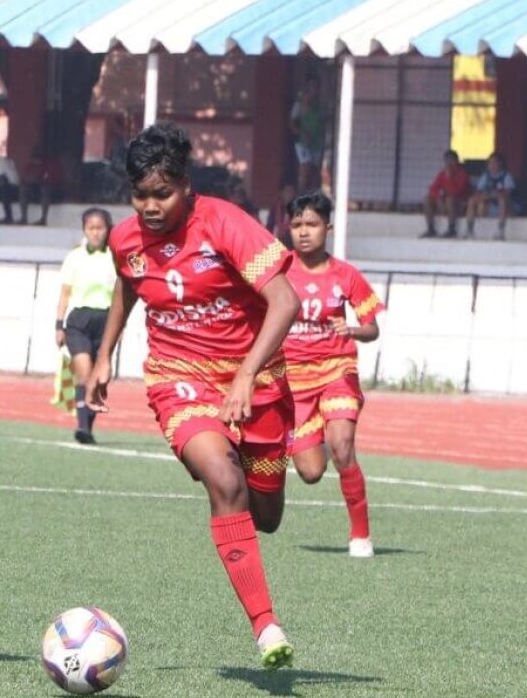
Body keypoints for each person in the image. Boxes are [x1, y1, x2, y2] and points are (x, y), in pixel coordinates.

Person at [87, 121, 301, 670]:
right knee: (224, 481)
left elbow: (285, 302)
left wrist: (247, 375)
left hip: (255, 382)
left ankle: (248, 488)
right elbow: (127, 286)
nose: (150, 206)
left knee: (267, 514)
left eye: (162, 193)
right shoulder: (125, 239)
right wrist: (105, 354)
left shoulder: (226, 223)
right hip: (178, 377)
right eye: (140, 195)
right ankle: (266, 626)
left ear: (186, 185)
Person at [281, 192, 385, 558]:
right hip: (293, 381)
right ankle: (322, 441)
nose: (303, 232)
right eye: (297, 225)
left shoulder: (346, 274)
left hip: (337, 370)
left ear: (328, 227)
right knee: (310, 473)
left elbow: (372, 329)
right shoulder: (277, 270)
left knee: (343, 447)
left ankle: (360, 536)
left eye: (311, 224)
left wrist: (352, 330)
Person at [54, 208, 117, 445]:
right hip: (79, 322)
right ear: (84, 230)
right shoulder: (75, 257)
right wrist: (59, 325)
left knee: (98, 377)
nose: (95, 233)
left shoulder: (114, 257)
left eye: (100, 228)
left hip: (106, 321)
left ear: (107, 229)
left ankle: (88, 427)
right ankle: (81, 426)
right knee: (84, 371)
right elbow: (65, 293)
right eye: (91, 228)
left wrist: (120, 327)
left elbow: (120, 296)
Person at [421, 150, 472, 238]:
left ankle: (451, 229)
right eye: (447, 161)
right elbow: (433, 189)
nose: (449, 163)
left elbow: (456, 192)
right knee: (427, 199)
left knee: (450, 199)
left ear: (457, 161)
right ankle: (430, 229)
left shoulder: (462, 174)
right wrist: (439, 198)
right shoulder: (442, 174)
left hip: (460, 204)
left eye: (452, 160)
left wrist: (449, 177)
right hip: (445, 204)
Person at [466, 152, 516, 240]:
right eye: (490, 163)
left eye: (495, 162)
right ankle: (469, 231)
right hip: (489, 207)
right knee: (472, 200)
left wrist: (492, 195)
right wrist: (484, 197)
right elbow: (478, 192)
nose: (492, 165)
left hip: (506, 208)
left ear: (500, 164)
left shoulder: (506, 176)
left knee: (502, 199)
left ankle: (501, 231)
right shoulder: (486, 176)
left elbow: (507, 193)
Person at [289, 76, 325, 192]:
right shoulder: (299, 104)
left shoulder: (320, 104)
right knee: (305, 165)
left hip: (317, 142)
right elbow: (292, 123)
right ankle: (301, 192)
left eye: (315, 86)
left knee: (314, 169)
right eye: (310, 86)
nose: (313, 89)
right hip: (303, 142)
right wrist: (303, 133)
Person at [265, 182, 297, 248]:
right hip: (276, 241)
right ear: (281, 193)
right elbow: (269, 226)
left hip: (292, 243)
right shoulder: (275, 208)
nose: (289, 195)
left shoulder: (297, 209)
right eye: (287, 192)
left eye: (291, 192)